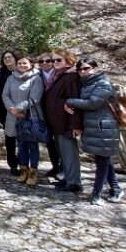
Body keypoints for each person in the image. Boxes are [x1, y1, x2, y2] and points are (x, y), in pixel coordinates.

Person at [65, 58, 124, 205]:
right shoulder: (88, 84)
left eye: (87, 68)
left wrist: (70, 101)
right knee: (103, 158)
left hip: (104, 127)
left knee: (102, 161)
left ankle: (96, 194)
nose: (83, 71)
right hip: (95, 126)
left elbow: (93, 103)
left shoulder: (103, 83)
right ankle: (116, 188)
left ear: (95, 68)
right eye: (80, 69)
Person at [43, 49, 83, 193]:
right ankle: (67, 178)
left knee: (69, 153)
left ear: (69, 60)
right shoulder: (58, 76)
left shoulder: (71, 77)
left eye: (58, 60)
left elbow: (75, 101)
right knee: (63, 154)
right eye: (53, 60)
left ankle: (74, 182)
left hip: (66, 123)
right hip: (57, 122)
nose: (54, 63)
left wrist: (75, 125)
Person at [2, 56, 44, 187]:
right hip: (12, 115)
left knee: (32, 145)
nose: (21, 65)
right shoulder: (11, 78)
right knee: (21, 144)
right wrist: (12, 109)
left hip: (29, 115)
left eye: (24, 63)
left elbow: (34, 98)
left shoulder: (36, 79)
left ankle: (33, 171)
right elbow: (5, 94)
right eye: (19, 63)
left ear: (31, 64)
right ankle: (24, 169)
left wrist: (19, 108)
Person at [37, 52, 60, 178]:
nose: (45, 64)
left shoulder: (59, 75)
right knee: (49, 141)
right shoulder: (37, 75)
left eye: (48, 61)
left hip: (58, 112)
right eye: (42, 62)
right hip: (44, 111)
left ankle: (64, 168)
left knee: (61, 141)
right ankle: (55, 166)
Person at [0, 50, 19, 175]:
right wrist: (10, 106)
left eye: (10, 57)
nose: (8, 59)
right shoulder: (0, 75)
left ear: (15, 58)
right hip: (6, 111)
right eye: (5, 58)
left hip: (23, 111)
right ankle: (12, 165)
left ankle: (24, 163)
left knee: (24, 139)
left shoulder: (24, 71)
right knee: (10, 139)